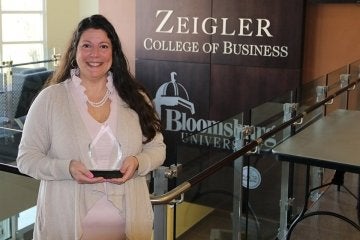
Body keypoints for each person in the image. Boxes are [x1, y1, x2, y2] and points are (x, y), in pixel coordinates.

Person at [16, 14, 166, 240]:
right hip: (65, 225)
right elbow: (26, 159)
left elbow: (158, 148)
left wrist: (138, 162)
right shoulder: (50, 99)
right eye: (87, 45)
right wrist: (66, 168)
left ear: (113, 53)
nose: (95, 54)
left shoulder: (136, 98)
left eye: (103, 46)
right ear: (74, 52)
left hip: (129, 227)